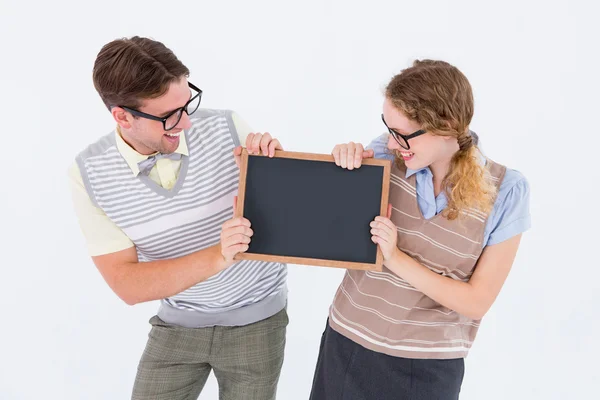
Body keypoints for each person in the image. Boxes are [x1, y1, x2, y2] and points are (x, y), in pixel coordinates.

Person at [68, 36, 288, 400]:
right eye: (170, 115)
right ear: (122, 116)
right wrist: (219, 255)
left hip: (257, 320)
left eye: (188, 104)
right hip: (177, 322)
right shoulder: (88, 174)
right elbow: (128, 285)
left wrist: (274, 175)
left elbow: (290, 221)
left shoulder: (229, 127)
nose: (186, 123)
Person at [310, 59, 531, 399]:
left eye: (403, 134)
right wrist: (342, 169)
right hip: (347, 346)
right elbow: (328, 231)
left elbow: (476, 302)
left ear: (446, 126)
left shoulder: (506, 191)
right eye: (388, 127)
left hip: (428, 371)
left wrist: (396, 257)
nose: (393, 141)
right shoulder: (384, 155)